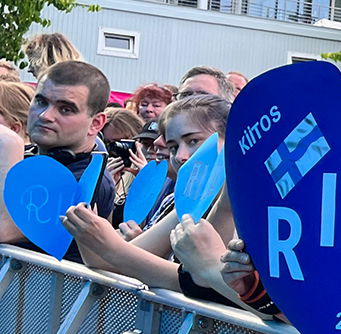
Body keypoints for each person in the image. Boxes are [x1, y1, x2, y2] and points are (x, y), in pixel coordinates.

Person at [61, 93, 236, 294]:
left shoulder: (252, 206)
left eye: (194, 140)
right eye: (173, 147)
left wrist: (112, 248)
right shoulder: (186, 203)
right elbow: (107, 264)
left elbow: (216, 288)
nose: (180, 156)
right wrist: (88, 231)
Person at [24, 60, 116, 224]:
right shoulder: (27, 155)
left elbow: (7, 231)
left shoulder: (89, 182)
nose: (45, 115)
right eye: (41, 102)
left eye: (65, 109)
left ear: (96, 123)